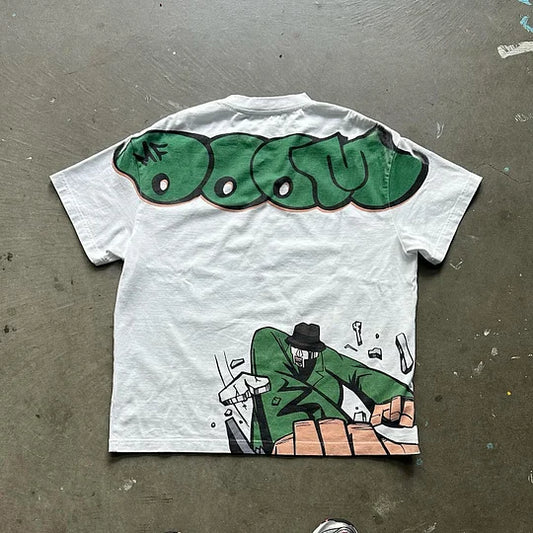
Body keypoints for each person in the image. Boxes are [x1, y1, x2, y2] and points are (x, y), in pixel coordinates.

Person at [219, 323, 417, 455]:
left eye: (305, 352)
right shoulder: (270, 341)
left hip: (329, 436)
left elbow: (356, 372)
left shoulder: (324, 358)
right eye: (296, 349)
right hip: (284, 438)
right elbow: (280, 389)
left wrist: (394, 399)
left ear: (314, 353)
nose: (299, 355)